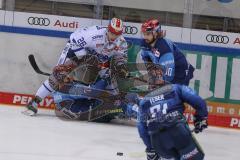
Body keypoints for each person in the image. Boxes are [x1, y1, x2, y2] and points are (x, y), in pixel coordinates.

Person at [23, 17, 129, 116]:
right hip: (75, 50)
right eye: (112, 33)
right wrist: (84, 61)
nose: (113, 36)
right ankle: (34, 103)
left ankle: (117, 107)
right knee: (59, 75)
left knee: (107, 77)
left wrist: (121, 68)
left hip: (94, 59)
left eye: (117, 34)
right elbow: (74, 38)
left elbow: (120, 58)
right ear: (108, 30)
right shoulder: (94, 34)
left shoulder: (122, 43)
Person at [129, 67, 208, 160]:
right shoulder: (176, 88)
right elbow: (198, 101)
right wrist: (200, 118)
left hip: (158, 141)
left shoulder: (144, 102)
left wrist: (150, 148)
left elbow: (141, 128)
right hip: (179, 131)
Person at [140, 19, 195, 86]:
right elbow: (146, 57)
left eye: (148, 34)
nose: (145, 37)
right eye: (144, 34)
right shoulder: (145, 43)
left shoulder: (163, 47)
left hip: (180, 72)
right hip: (168, 70)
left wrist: (157, 82)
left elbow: (168, 76)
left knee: (172, 93)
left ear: (156, 33)